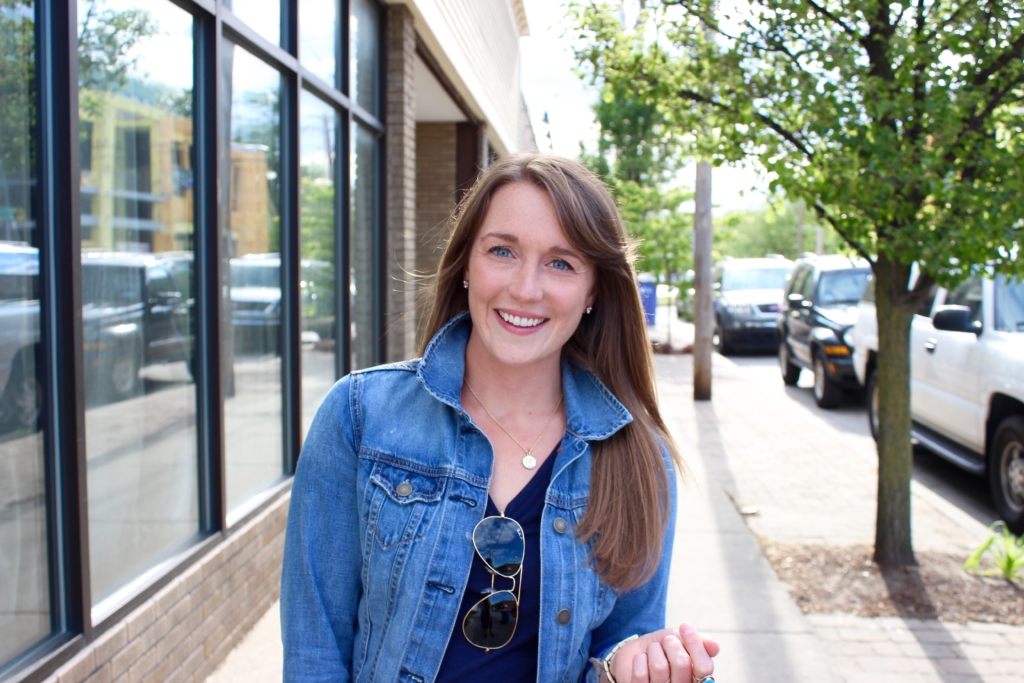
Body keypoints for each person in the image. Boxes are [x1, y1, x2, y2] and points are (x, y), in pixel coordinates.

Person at [281, 153, 719, 683]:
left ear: (593, 291)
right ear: (467, 263)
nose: (525, 289)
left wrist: (630, 666)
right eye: (502, 251)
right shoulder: (360, 416)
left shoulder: (638, 459)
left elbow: (623, 641)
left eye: (561, 263)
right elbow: (315, 650)